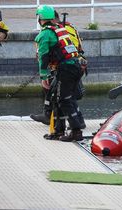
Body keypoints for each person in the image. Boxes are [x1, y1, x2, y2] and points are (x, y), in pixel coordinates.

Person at [34, 5, 85, 142]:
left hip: (66, 68)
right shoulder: (60, 29)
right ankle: (58, 130)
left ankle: (76, 131)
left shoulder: (44, 34)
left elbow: (43, 57)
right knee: (57, 99)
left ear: (40, 19)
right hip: (75, 66)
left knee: (64, 99)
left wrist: (43, 76)